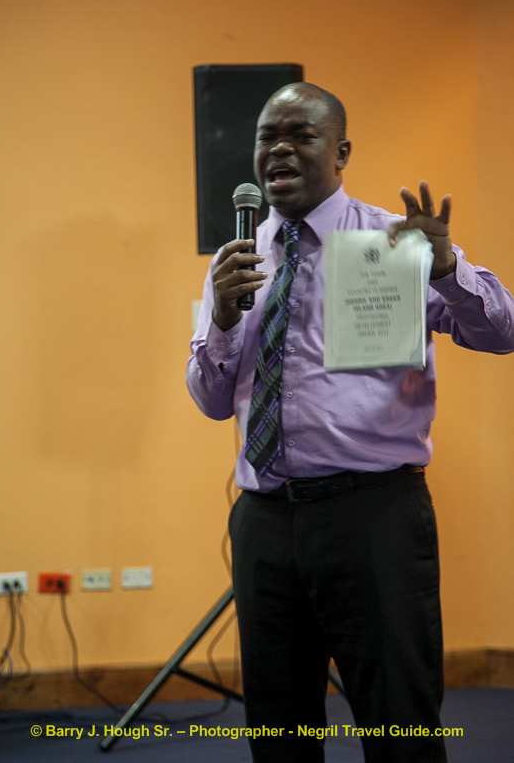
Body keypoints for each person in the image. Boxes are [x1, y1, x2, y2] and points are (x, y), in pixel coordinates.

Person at [186, 82, 514, 763]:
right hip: (264, 519)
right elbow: (212, 401)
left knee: (398, 718)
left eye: (299, 134)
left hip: (372, 516)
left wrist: (446, 269)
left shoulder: (393, 241)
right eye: (266, 136)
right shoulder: (237, 258)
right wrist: (220, 319)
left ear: (340, 152)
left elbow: (501, 332)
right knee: (279, 727)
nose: (278, 148)